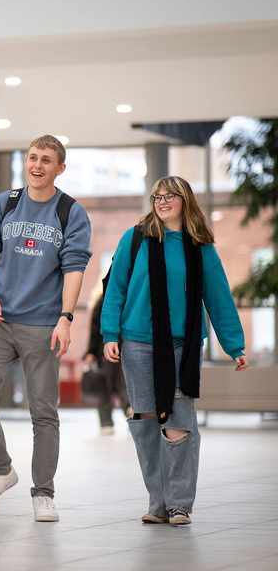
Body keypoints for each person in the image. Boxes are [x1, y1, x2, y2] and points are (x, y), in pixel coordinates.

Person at [102, 176, 247, 526]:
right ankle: (158, 501)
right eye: (157, 196)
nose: (163, 201)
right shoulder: (136, 238)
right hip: (137, 341)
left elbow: (219, 298)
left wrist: (234, 345)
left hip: (183, 343)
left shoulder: (200, 247)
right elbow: (116, 288)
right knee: (146, 419)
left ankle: (179, 504)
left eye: (171, 196)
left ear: (185, 201)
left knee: (179, 422)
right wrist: (109, 333)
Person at [0, 134, 92, 522]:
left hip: (43, 324)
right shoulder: (6, 203)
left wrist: (66, 317)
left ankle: (44, 492)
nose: (37, 165)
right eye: (33, 158)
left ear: (60, 168)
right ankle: (0, 470)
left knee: (43, 410)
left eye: (46, 160)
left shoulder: (70, 211)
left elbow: (75, 267)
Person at [83, 287, 130, 434]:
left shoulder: (104, 299)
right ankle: (128, 413)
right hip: (120, 348)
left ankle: (108, 422)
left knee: (108, 386)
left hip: (111, 350)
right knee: (122, 384)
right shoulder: (119, 297)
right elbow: (95, 328)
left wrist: (91, 351)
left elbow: (95, 328)